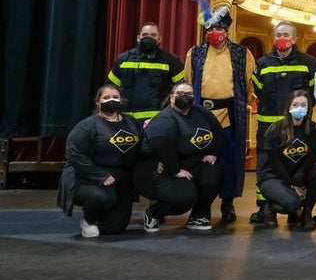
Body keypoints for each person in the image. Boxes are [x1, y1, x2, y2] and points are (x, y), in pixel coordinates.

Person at [184, 0, 254, 225]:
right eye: (211, 29)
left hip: (230, 115)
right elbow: (188, 80)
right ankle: (200, 204)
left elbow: (248, 84)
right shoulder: (194, 53)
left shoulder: (243, 53)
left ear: (226, 30)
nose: (215, 32)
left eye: (219, 28)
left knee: (229, 160)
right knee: (198, 159)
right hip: (201, 115)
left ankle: (228, 203)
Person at [250, 20, 316, 225]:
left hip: (298, 127)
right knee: (266, 167)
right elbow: (259, 91)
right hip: (267, 127)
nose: (282, 38)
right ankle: (265, 208)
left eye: (286, 34)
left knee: (295, 164)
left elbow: (313, 94)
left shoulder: (308, 63)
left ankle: (294, 209)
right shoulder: (262, 64)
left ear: (295, 38)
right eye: (278, 34)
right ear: (273, 38)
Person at [135, 81, 224, 233]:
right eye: (180, 94)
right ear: (171, 97)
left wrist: (213, 153)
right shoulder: (165, 119)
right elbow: (161, 147)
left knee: (213, 176)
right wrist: (176, 170)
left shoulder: (202, 113)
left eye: (189, 94)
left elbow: (218, 132)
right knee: (185, 199)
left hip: (195, 162)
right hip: (166, 167)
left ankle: (199, 216)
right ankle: (154, 213)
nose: (185, 97)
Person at [59, 84, 142, 237]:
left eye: (116, 97)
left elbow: (143, 145)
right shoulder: (87, 126)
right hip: (88, 178)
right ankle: (89, 219)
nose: (112, 100)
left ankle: (104, 217)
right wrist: (99, 175)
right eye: (106, 97)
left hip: (121, 180)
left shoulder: (131, 122)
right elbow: (74, 154)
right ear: (97, 102)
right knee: (103, 197)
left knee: (114, 229)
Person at [256, 90, 316, 230]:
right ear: (289, 107)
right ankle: (270, 208)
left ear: (308, 108)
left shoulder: (312, 128)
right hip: (273, 176)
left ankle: (306, 212)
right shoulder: (276, 129)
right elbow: (274, 163)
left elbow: (311, 157)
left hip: (296, 175)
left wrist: (300, 175)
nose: (299, 108)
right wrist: (292, 184)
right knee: (291, 203)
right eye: (295, 104)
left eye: (303, 105)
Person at [107, 21, 185, 121]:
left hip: (159, 120)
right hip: (127, 120)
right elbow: (110, 88)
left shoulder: (171, 61)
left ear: (159, 38)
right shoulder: (123, 60)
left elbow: (182, 89)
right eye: (145, 35)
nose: (149, 38)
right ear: (138, 38)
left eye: (153, 35)